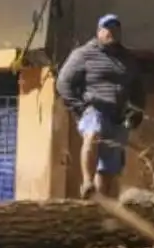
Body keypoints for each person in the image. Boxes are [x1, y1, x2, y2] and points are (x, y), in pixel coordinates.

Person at [56, 13, 146, 199]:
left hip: (118, 115)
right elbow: (63, 83)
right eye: (107, 29)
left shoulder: (128, 59)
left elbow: (137, 88)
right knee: (93, 134)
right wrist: (79, 108)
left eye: (115, 29)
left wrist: (136, 112)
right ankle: (87, 182)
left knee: (108, 167)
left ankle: (97, 202)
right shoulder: (84, 54)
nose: (111, 33)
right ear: (99, 32)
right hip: (94, 108)